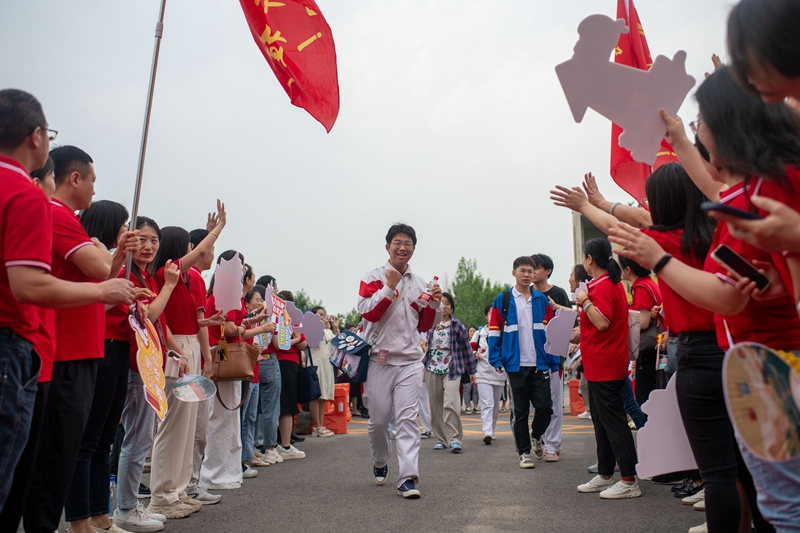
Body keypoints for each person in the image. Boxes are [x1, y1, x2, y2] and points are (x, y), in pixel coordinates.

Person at [22, 145, 141, 533]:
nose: (93, 190)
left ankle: (84, 520)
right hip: (67, 349)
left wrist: (117, 252)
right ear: (74, 178)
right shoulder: (58, 215)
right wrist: (114, 253)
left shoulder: (66, 218)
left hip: (81, 346)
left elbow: (103, 270)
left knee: (77, 443)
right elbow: (99, 270)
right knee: (62, 450)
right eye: (91, 180)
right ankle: (75, 523)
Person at [63, 200, 144, 533]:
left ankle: (100, 516)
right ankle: (79, 519)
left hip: (116, 346)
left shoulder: (107, 255)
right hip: (100, 345)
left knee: (104, 436)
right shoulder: (93, 251)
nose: (126, 231)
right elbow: (98, 291)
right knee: (88, 437)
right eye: (122, 224)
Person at [147, 206, 228, 519]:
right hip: (176, 350)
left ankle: (177, 490)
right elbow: (164, 322)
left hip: (188, 348)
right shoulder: (164, 275)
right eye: (188, 248)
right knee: (172, 426)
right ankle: (162, 496)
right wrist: (218, 228)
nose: (193, 252)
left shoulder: (180, 278)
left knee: (185, 427)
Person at [358, 223, 441, 498]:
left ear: (414, 249)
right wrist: (388, 288)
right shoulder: (373, 277)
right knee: (379, 420)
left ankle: (408, 478)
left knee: (407, 419)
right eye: (397, 242)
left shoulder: (420, 284)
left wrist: (434, 304)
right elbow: (367, 313)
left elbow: (425, 323)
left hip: (409, 361)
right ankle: (380, 460)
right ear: (387, 247)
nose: (402, 247)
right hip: (378, 360)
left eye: (408, 243)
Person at [111, 216, 176, 532]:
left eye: (154, 241)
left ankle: (130, 504)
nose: (149, 246)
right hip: (135, 365)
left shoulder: (146, 276)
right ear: (130, 240)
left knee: (140, 439)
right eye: (143, 239)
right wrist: (170, 286)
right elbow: (149, 313)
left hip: (148, 366)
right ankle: (124, 508)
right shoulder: (127, 273)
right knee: (136, 441)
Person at [572, 239, 640, 499]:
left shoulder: (601, 286)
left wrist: (585, 301)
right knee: (602, 421)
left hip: (606, 363)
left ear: (590, 259)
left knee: (613, 423)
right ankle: (605, 473)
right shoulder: (606, 284)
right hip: (600, 361)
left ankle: (628, 480)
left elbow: (602, 322)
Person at [201, 251, 274, 489]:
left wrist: (252, 321)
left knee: (228, 417)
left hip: (222, 351)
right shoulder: (225, 293)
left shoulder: (224, 292)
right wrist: (258, 330)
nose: (243, 271)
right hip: (223, 353)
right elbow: (231, 329)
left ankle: (227, 471)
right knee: (223, 417)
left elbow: (235, 324)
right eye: (240, 267)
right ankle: (217, 473)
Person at [487, 256, 558, 469]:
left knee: (545, 407)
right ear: (514, 273)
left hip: (540, 363)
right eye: (523, 271)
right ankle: (524, 452)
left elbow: (550, 333)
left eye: (530, 271)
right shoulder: (504, 299)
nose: (527, 275)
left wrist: (553, 361)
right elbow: (493, 330)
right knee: (520, 412)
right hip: (515, 365)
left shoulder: (541, 300)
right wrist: (495, 358)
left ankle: (537, 435)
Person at [185, 226, 226, 504]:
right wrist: (208, 358)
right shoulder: (195, 278)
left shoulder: (188, 277)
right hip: (193, 356)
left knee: (191, 429)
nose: (211, 254)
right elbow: (195, 324)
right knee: (195, 429)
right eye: (209, 248)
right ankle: (188, 485)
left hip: (189, 353)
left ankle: (186, 484)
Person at [422, 292, 476, 453]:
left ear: (451, 306)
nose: (443, 306)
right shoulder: (430, 323)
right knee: (436, 404)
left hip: (452, 369)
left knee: (451, 402)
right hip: (432, 368)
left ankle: (454, 439)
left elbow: (466, 348)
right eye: (440, 303)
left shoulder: (457, 325)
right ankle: (441, 438)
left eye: (447, 303)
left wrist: (471, 370)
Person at [531, 253, 571, 463]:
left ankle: (552, 446)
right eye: (529, 268)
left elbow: (568, 323)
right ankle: (536, 439)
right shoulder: (525, 295)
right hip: (529, 358)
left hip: (553, 357)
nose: (533, 272)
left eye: (536, 268)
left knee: (554, 403)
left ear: (547, 271)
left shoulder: (559, 294)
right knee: (537, 405)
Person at [268, 290, 309, 460]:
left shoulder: (294, 321)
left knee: (288, 403)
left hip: (292, 364)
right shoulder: (277, 320)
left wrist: (296, 339)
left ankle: (282, 442)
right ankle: (283, 444)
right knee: (284, 405)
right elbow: (280, 345)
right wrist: (295, 340)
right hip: (282, 362)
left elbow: (304, 344)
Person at [619, 255, 662, 405]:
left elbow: (643, 322)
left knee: (645, 399)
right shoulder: (650, 283)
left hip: (648, 350)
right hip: (656, 349)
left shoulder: (641, 287)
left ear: (628, 269)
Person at [252, 284, 283, 465]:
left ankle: (254, 446)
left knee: (254, 409)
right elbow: (278, 343)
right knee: (270, 408)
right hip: (268, 359)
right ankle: (270, 448)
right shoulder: (271, 315)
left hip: (253, 360)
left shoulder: (250, 315)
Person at [241, 289, 272, 466]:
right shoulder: (247, 322)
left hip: (255, 372)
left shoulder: (255, 323)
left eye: (262, 299)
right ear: (246, 303)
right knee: (244, 417)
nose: (260, 303)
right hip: (245, 371)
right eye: (257, 299)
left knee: (251, 417)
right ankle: (244, 455)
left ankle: (248, 452)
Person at [471, 305, 506, 444]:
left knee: (495, 405)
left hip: (499, 373)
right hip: (483, 373)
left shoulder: (504, 333)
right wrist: (474, 354)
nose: (493, 316)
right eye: (491, 314)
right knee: (488, 403)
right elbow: (471, 349)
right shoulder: (479, 334)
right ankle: (487, 431)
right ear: (486, 316)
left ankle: (491, 428)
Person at [309, 306, 338, 437]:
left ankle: (321, 425)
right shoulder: (310, 329)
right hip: (315, 364)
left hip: (326, 366)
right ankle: (316, 426)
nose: (323, 317)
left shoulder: (328, 332)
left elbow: (338, 342)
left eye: (324, 314)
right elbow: (312, 343)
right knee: (316, 396)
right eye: (320, 315)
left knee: (323, 396)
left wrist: (336, 327)